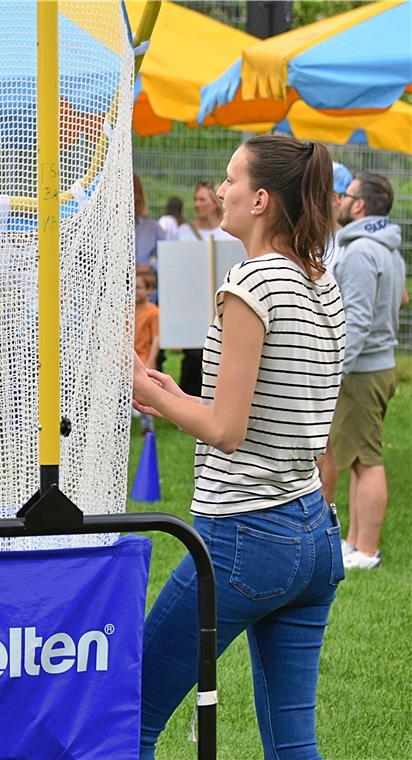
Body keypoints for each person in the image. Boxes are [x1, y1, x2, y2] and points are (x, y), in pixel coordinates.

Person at [132, 135, 345, 759]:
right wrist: (174, 393)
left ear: (260, 200)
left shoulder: (250, 281)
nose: (217, 191)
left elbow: (226, 430)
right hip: (313, 535)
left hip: (246, 536)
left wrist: (144, 388)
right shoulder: (318, 277)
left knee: (131, 712)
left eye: (229, 180)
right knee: (293, 742)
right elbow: (270, 410)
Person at [319, 172, 404, 570]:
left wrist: (333, 371)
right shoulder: (387, 248)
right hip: (377, 366)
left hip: (362, 371)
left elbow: (356, 321)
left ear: (360, 206)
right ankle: (354, 542)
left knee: (366, 459)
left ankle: (366, 549)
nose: (338, 199)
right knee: (356, 457)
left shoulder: (358, 252)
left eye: (345, 195)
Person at [174, 181, 237, 397]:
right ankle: (188, 399)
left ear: (214, 202)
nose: (197, 204)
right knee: (193, 353)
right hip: (193, 301)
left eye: (202, 199)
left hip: (222, 299)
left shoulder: (229, 232)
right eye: (195, 199)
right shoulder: (183, 231)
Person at [134, 266, 160, 435]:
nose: (135, 291)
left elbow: (157, 338)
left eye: (139, 287)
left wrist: (151, 360)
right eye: (133, 286)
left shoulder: (153, 312)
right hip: (127, 359)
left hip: (143, 359)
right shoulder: (127, 308)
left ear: (149, 290)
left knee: (144, 394)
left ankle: (147, 425)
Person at [134, 175, 164, 270]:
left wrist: (150, 267)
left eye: (137, 191)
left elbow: (167, 260)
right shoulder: (102, 230)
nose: (134, 197)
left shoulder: (153, 228)